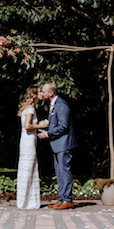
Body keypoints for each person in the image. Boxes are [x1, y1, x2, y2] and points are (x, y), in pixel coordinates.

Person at [38, 82, 77, 210]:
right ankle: (61, 199)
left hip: (64, 144)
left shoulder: (61, 105)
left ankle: (68, 200)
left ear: (51, 93)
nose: (42, 94)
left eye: (43, 92)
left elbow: (63, 126)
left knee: (64, 171)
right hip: (57, 145)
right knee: (59, 172)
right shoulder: (53, 105)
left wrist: (48, 134)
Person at [15, 86, 49, 210]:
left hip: (28, 141)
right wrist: (41, 124)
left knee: (28, 168)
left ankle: (27, 200)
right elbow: (27, 126)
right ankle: (25, 201)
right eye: (40, 91)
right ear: (34, 95)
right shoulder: (30, 108)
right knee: (28, 169)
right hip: (28, 142)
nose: (42, 93)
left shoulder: (29, 108)